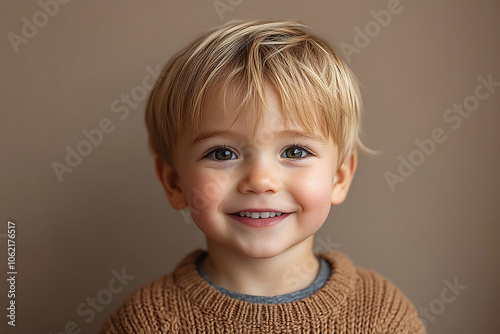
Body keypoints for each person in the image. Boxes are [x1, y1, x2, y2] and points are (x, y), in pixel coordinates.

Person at [100, 19, 425, 333]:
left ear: (339, 178)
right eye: (223, 153)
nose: (260, 180)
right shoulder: (145, 323)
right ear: (174, 183)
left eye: (294, 152)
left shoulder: (381, 315)